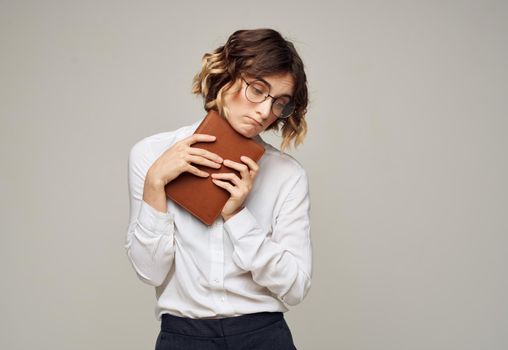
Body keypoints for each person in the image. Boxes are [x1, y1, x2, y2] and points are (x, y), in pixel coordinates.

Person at [125, 28, 312, 350]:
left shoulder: (286, 174)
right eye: (256, 90)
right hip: (181, 337)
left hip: (263, 336)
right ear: (226, 75)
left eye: (279, 103)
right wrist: (156, 183)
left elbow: (295, 287)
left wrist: (237, 215)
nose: (265, 112)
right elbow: (150, 272)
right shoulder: (151, 154)